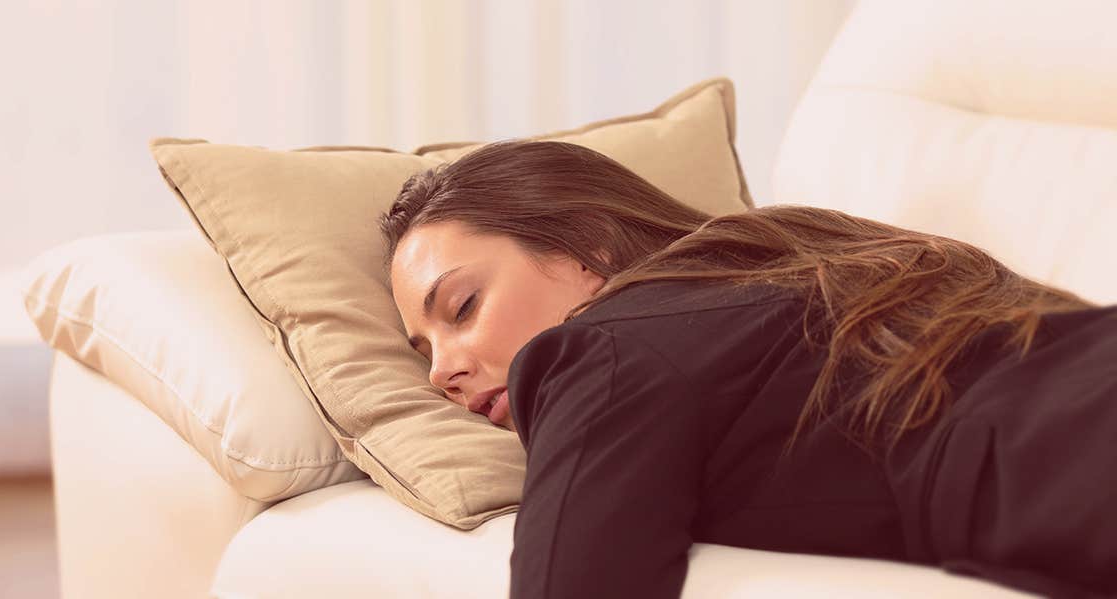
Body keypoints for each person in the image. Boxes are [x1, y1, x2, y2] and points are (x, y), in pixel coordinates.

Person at [376, 139, 1117, 599]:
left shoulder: (593, 353)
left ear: (587, 250)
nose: (444, 371)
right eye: (425, 350)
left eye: (463, 305)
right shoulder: (786, 263)